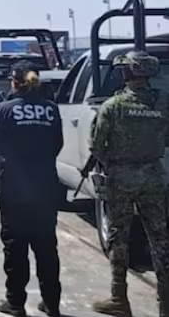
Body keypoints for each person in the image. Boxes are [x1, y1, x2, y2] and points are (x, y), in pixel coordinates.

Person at [88, 50, 169, 317]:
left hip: (121, 178)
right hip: (153, 175)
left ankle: (119, 298)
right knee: (159, 238)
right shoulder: (163, 103)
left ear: (126, 73)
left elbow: (97, 146)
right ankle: (165, 303)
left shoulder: (112, 106)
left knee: (119, 238)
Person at [0, 61, 63, 317]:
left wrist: (4, 168)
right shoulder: (51, 109)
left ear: (14, 82)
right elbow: (57, 145)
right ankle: (52, 303)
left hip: (13, 189)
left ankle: (15, 302)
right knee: (46, 246)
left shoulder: (2, 110)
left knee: (15, 247)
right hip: (45, 188)